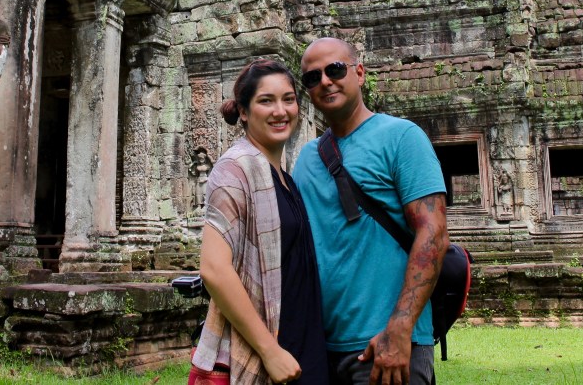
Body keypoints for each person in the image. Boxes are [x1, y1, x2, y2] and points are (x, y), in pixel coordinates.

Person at [293, 38, 448, 385]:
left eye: (335, 70)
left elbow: (433, 233)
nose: (325, 82)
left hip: (384, 345)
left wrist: (400, 328)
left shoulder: (401, 137)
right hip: (319, 348)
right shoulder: (305, 159)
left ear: (359, 73)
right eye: (312, 78)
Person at [191, 59, 328, 385]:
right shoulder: (235, 169)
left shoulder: (285, 178)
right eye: (266, 100)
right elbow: (214, 269)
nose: (280, 111)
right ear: (243, 111)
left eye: (288, 99)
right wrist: (269, 351)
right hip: (267, 352)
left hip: (302, 345)